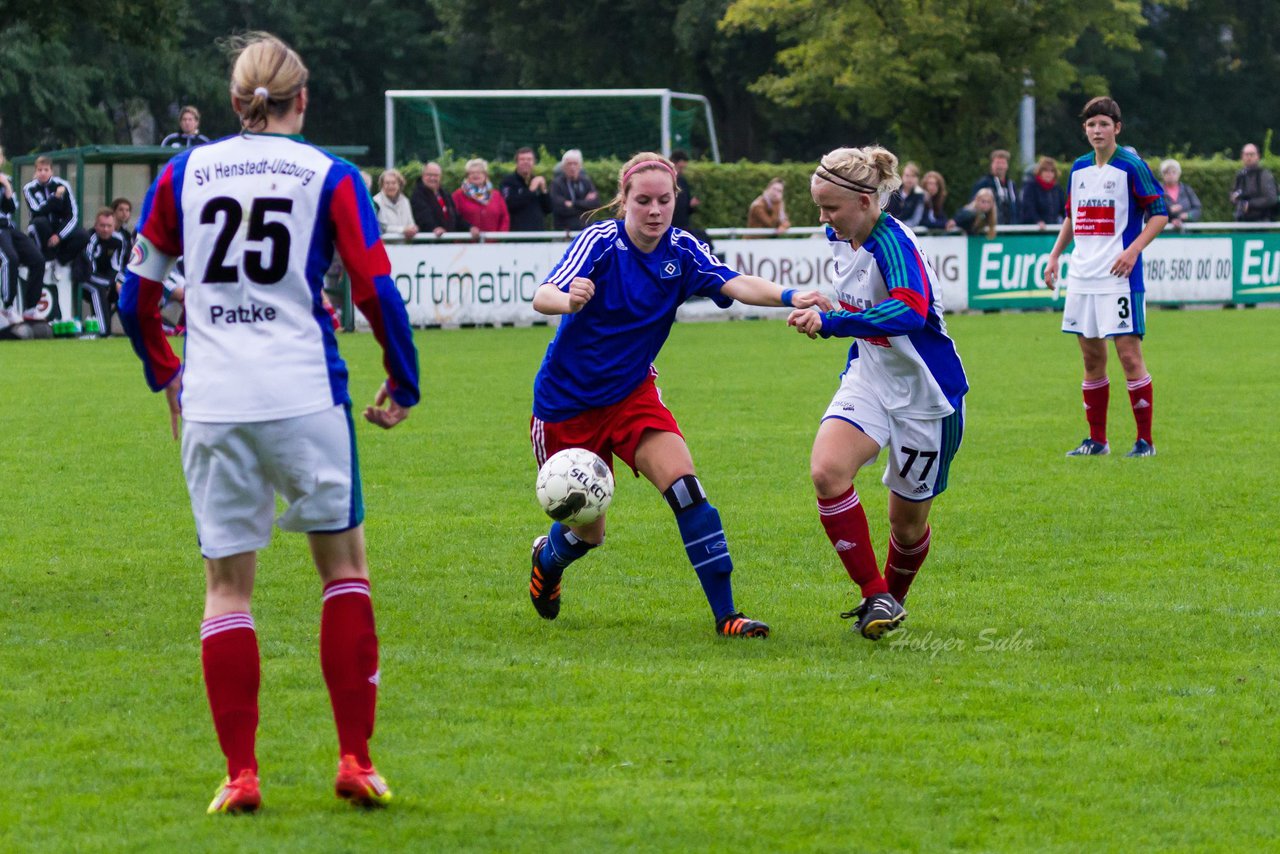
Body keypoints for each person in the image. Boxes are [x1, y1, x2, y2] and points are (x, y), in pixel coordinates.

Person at [118, 32, 419, 814]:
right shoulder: (332, 175)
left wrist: (167, 374)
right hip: (304, 397)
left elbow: (135, 294)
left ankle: (241, 775)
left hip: (216, 405)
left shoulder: (182, 173)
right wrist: (402, 377)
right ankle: (355, 759)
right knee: (344, 572)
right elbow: (375, 289)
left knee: (227, 590)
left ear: (231, 102)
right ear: (303, 98)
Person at [527, 151, 832, 638]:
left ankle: (727, 615)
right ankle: (548, 558)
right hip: (566, 406)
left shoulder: (683, 250)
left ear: (676, 200)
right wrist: (568, 299)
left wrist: (790, 296)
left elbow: (733, 282)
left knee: (687, 489)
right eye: (643, 200)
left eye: (664, 200)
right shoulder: (600, 243)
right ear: (623, 201)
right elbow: (544, 295)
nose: (654, 210)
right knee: (590, 531)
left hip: (631, 396)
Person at [786, 146, 968, 641]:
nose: (823, 219)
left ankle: (892, 601)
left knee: (906, 528)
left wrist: (834, 321)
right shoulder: (841, 233)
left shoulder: (892, 245)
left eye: (831, 208)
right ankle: (874, 593)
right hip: (869, 376)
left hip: (926, 396)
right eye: (819, 207)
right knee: (827, 471)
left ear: (866, 201)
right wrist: (823, 303)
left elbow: (910, 309)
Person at [1043, 96, 1167, 458]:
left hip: (1119, 278)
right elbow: (1072, 217)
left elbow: (1159, 212)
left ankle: (1145, 442)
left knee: (1129, 356)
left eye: (1104, 124)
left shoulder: (1131, 166)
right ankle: (1097, 440)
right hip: (1082, 276)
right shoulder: (1079, 168)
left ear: (1117, 128)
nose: (1097, 130)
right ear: (1085, 129)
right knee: (1091, 358)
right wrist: (1054, 256)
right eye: (1091, 125)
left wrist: (1132, 251)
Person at [0, 147, 47, 318]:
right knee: (10, 258)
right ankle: (7, 306)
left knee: (37, 259)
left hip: (8, 227)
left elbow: (11, 208)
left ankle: (30, 309)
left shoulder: (7, 180)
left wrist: (5, 185)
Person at [24, 155, 89, 265]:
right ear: (35, 172)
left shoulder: (63, 185)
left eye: (46, 170)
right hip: (42, 229)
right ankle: (45, 258)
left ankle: (60, 261)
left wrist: (59, 235)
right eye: (39, 170)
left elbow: (72, 214)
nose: (43, 173)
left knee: (83, 235)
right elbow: (37, 211)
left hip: (59, 227)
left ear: (51, 171)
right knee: (40, 222)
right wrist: (56, 198)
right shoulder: (29, 188)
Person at [74, 208, 126, 335]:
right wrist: (112, 284)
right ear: (96, 225)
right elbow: (89, 270)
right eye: (102, 226)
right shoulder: (90, 239)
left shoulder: (118, 240)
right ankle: (103, 331)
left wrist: (117, 283)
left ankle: (135, 330)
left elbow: (116, 267)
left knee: (127, 289)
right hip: (85, 278)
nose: (106, 229)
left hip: (106, 279)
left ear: (114, 226)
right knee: (97, 289)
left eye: (109, 226)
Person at [452, 158, 510, 237]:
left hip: (493, 245)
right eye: (472, 173)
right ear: (467, 176)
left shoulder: (496, 195)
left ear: (485, 175)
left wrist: (500, 236)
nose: (475, 175)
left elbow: (504, 217)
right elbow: (453, 218)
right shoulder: (458, 195)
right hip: (466, 245)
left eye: (479, 172)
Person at [500, 147, 551, 231]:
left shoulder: (537, 181)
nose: (526, 162)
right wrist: (530, 191)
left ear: (534, 162)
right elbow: (509, 205)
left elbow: (548, 209)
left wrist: (544, 191)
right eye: (522, 159)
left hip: (538, 233)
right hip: (517, 235)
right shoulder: (508, 182)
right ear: (516, 162)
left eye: (529, 159)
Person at [549, 149, 598, 230]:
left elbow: (595, 204)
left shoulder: (586, 182)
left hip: (585, 230)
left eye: (575, 164)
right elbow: (559, 209)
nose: (572, 167)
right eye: (569, 164)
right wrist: (584, 205)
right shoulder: (557, 184)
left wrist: (572, 204)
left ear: (580, 166)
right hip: (564, 232)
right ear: (563, 167)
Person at [410, 161, 462, 236]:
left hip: (448, 242)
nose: (432, 178)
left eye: (436, 175)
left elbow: (456, 218)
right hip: (428, 242)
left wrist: (470, 228)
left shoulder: (445, 195)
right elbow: (423, 216)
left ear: (440, 177)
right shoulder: (417, 195)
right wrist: (434, 228)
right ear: (422, 176)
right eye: (429, 175)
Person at [970, 148, 1019, 224]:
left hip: (1011, 230)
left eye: (1003, 163)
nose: (1000, 166)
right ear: (992, 165)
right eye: (998, 163)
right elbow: (973, 205)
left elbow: (1018, 206)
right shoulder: (983, 183)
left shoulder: (1011, 185)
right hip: (990, 229)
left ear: (1007, 166)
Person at [1230, 143, 1277, 222]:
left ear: (1258, 156)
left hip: (1261, 222)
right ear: (1242, 156)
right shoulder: (1240, 175)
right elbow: (1234, 192)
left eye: (1251, 154)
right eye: (1246, 154)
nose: (1249, 157)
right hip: (1241, 220)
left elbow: (1271, 199)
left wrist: (1250, 204)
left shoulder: (1264, 175)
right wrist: (1234, 198)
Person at [1019, 156, 1066, 227]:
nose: (1049, 174)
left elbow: (1064, 209)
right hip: (1034, 229)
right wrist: (1037, 221)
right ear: (1040, 172)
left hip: (1052, 228)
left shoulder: (1057, 188)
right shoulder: (1030, 186)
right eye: (1046, 171)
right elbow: (1028, 208)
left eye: (1052, 171)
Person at [372, 169, 419, 240]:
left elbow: (410, 223)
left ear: (399, 185)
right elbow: (382, 227)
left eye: (394, 183)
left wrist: (413, 228)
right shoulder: (376, 201)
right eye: (387, 183)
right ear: (382, 185)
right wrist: (403, 230)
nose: (390, 186)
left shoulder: (405, 201)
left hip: (404, 247)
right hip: (385, 246)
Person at [1159, 159, 1201, 230]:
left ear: (1179, 174)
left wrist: (1188, 215)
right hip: (1164, 233)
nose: (1171, 175)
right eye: (1167, 173)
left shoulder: (1187, 189)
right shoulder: (1157, 191)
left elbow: (1197, 209)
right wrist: (1169, 211)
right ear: (1162, 175)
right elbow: (1151, 213)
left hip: (1187, 233)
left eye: (1174, 172)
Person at [884, 161, 925, 228]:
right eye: (907, 175)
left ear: (917, 179)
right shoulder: (892, 191)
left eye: (913, 176)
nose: (909, 179)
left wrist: (901, 226)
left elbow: (916, 219)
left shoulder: (919, 195)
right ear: (902, 176)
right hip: (888, 226)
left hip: (907, 229)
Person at [669, 150, 701, 231]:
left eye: (684, 168)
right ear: (673, 164)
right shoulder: (666, 181)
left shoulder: (683, 182)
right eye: (680, 168)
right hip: (670, 227)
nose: (682, 171)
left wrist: (691, 205)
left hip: (684, 227)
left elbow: (687, 209)